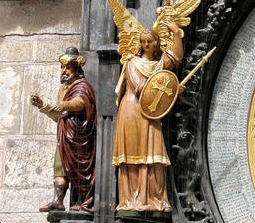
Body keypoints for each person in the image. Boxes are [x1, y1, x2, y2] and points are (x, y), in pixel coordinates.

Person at [113, 16, 183, 213]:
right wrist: (167, 87)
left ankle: (154, 198)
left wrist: (176, 32)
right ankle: (131, 199)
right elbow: (139, 87)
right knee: (133, 154)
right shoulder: (132, 63)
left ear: (156, 43)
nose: (146, 45)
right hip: (133, 110)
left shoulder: (159, 64)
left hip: (151, 113)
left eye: (150, 41)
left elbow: (175, 58)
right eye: (143, 42)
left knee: (154, 154)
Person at [31, 47, 96, 212]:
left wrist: (64, 105)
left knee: (77, 168)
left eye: (67, 67)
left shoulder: (83, 85)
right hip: (63, 133)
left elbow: (81, 102)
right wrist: (42, 106)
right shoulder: (63, 90)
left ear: (76, 68)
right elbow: (58, 115)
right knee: (59, 166)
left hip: (78, 136)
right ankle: (57, 201)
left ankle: (82, 200)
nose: (64, 71)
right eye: (62, 67)